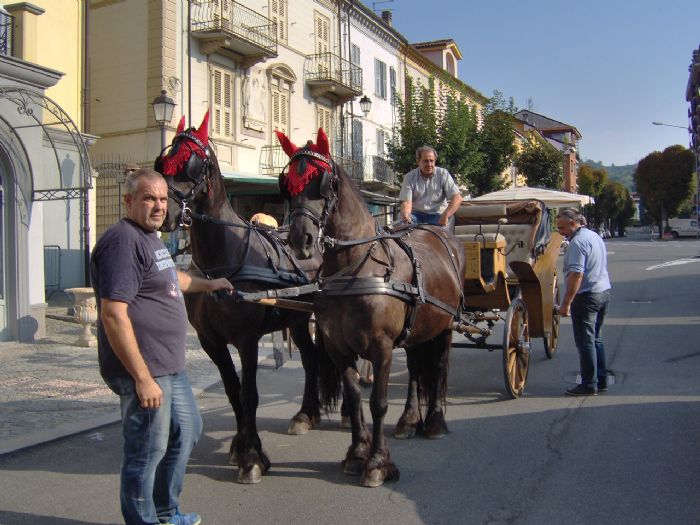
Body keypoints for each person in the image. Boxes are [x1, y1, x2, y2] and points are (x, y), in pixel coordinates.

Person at [91, 168, 234, 525]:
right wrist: (141, 378)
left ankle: (166, 513)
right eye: (148, 198)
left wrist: (210, 284)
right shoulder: (123, 242)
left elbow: (173, 278)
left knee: (187, 430)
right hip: (146, 369)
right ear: (128, 201)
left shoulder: (151, 239)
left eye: (161, 199)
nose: (158, 206)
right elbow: (113, 314)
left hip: (170, 367)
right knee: (146, 451)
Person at [556, 209, 611, 396]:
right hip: (603, 291)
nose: (561, 232)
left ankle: (589, 384)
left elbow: (577, 275)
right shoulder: (594, 236)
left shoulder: (577, 243)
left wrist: (566, 303)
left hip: (587, 296)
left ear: (573, 223)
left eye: (562, 228)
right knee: (596, 339)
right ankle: (601, 380)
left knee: (585, 342)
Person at [398, 145, 462, 227]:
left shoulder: (443, 174)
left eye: (431, 161)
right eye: (425, 161)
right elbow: (406, 202)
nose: (429, 164)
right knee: (402, 228)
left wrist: (446, 214)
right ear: (418, 161)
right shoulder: (409, 177)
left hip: (438, 215)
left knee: (444, 230)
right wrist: (406, 215)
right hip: (416, 216)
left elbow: (457, 197)